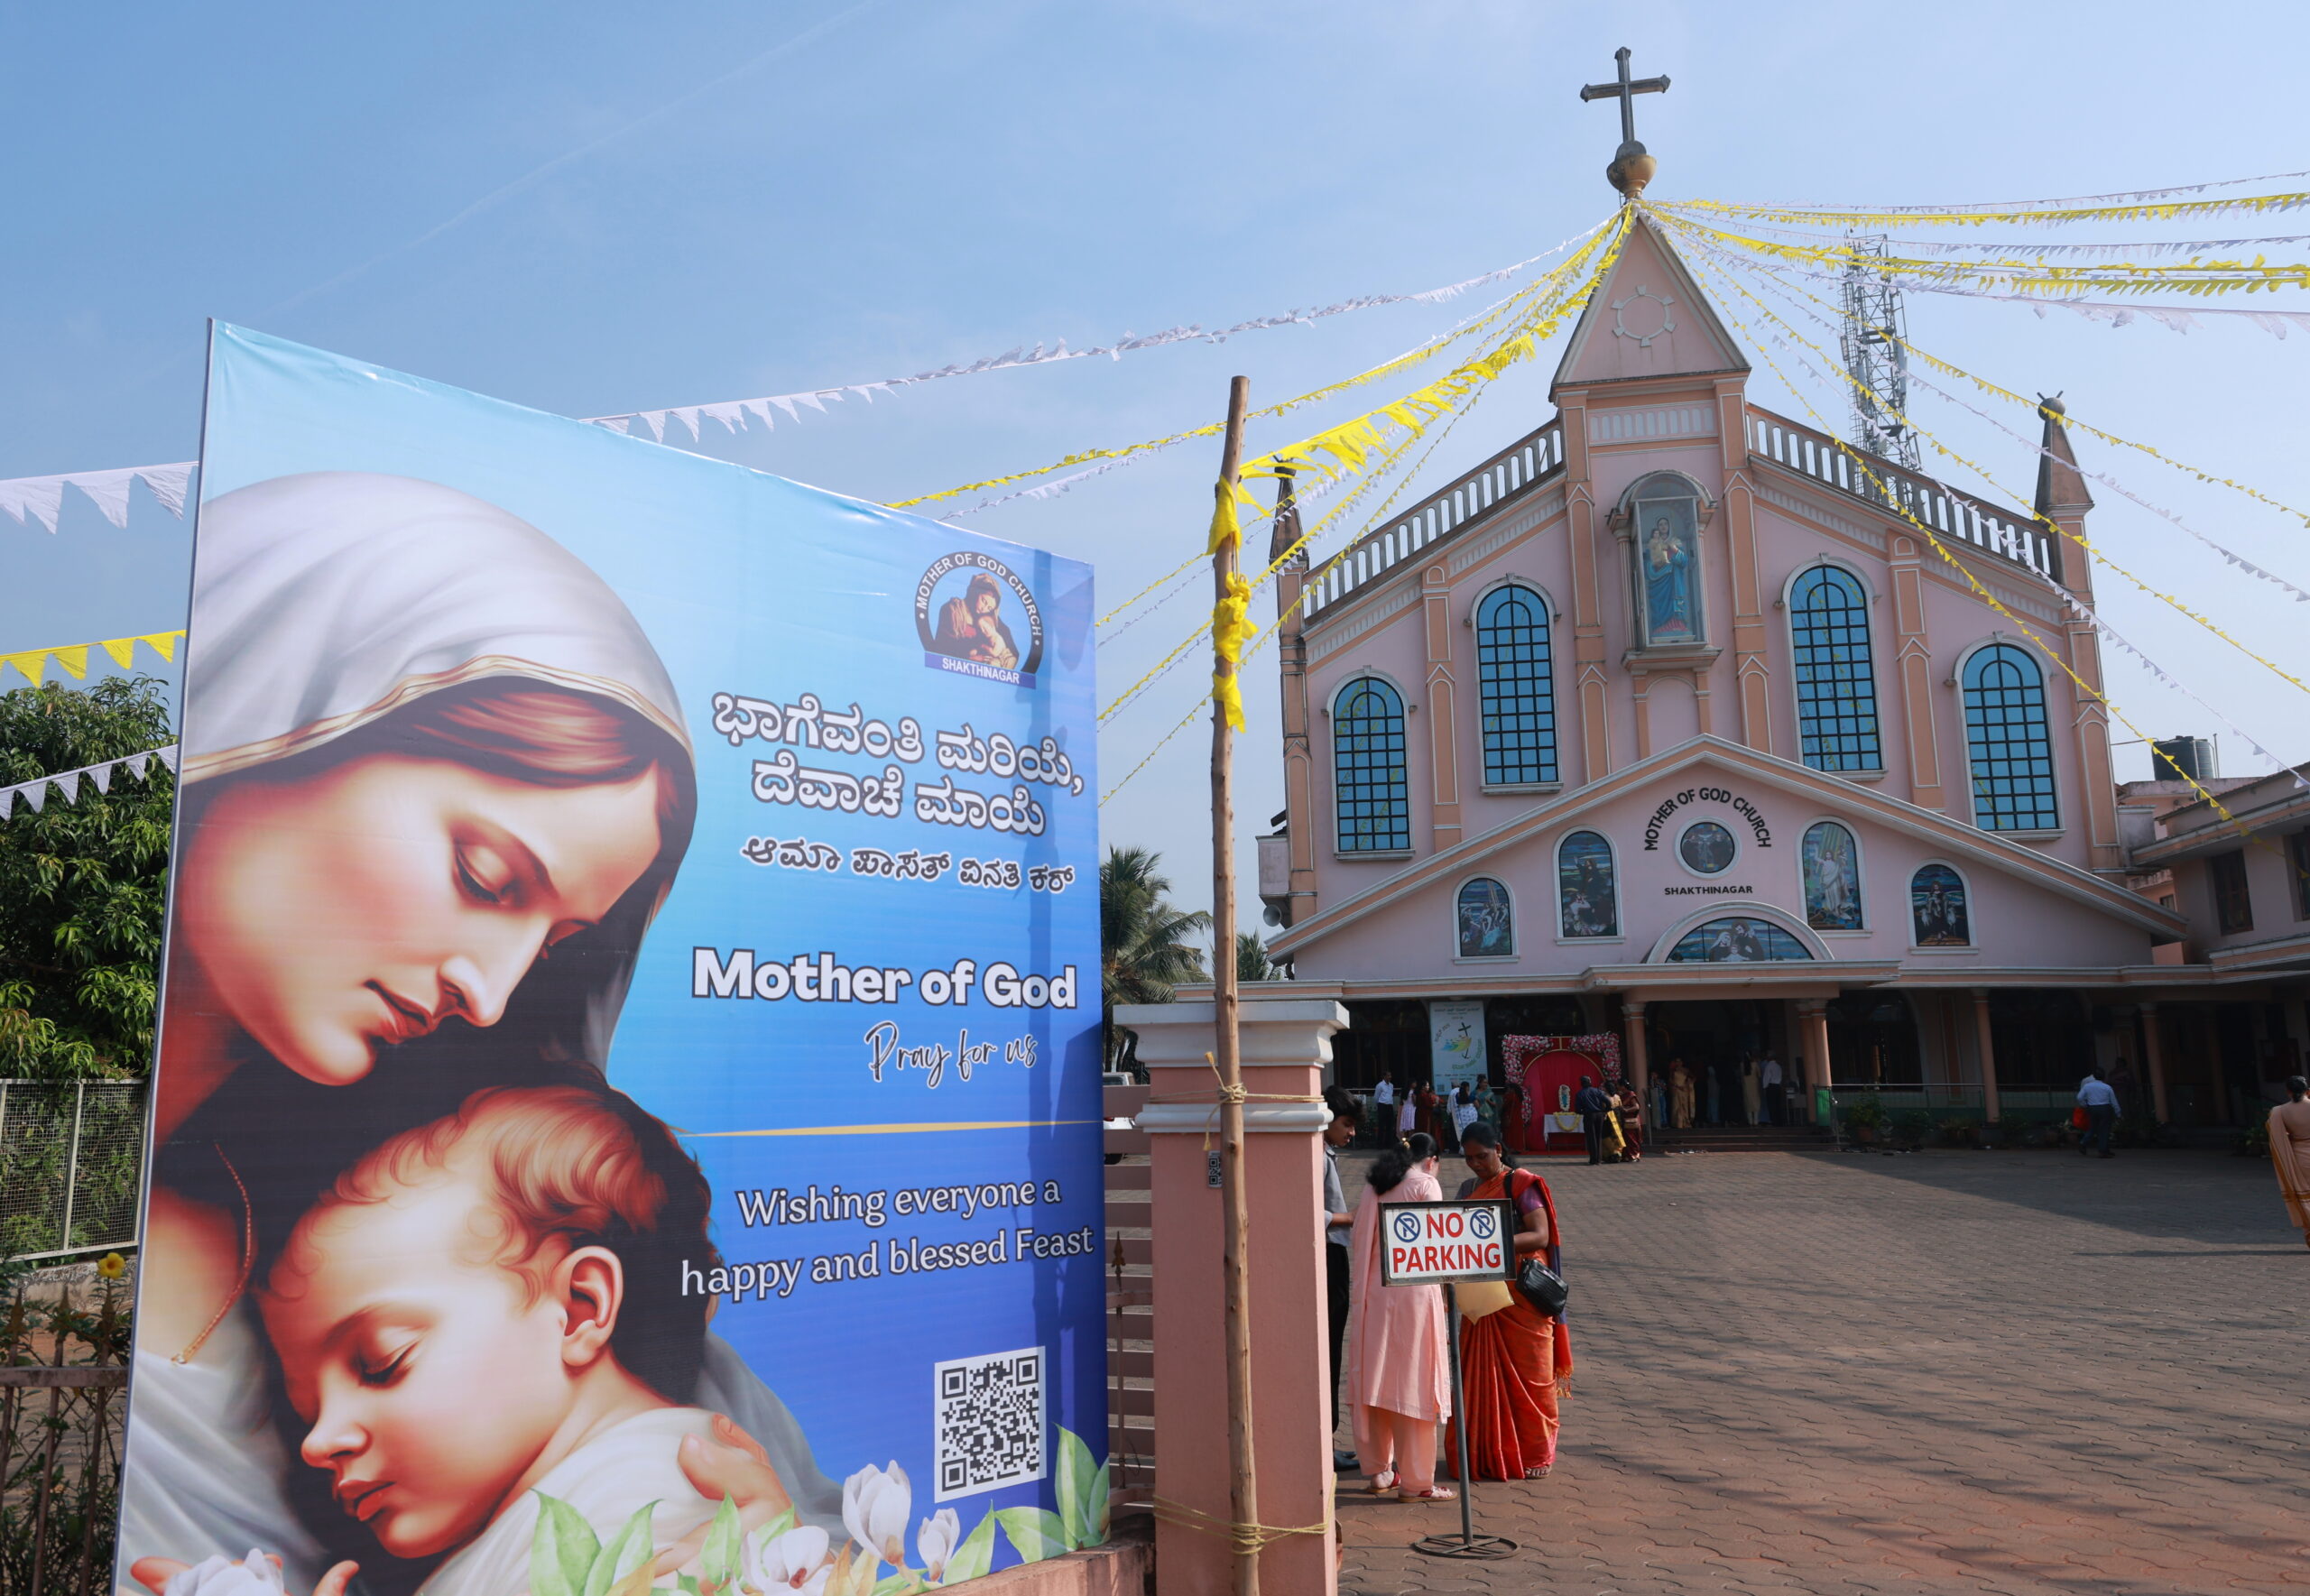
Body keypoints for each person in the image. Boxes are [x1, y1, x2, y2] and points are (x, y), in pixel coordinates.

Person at [117, 475, 832, 1596]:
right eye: (484, 873)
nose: (490, 994)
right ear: (278, 708)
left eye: (552, 945)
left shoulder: (476, 1215)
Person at [249, 1085, 726, 1596]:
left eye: (381, 1363)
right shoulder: (556, 1510)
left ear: (577, 1309)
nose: (318, 1443)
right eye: (307, 1410)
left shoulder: (639, 1506)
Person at [1448, 1124, 1571, 1480]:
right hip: (1484, 1295)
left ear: (1498, 1149)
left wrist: (1489, 1243)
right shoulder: (1468, 1189)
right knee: (1479, 1372)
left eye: (1481, 1157)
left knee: (1533, 1374)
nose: (1475, 1165)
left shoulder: (1521, 1183)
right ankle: (1487, 1448)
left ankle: (1536, 1452)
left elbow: (1539, 1234)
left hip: (1524, 1295)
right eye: (1469, 1158)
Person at [1344, 1135, 1454, 1502]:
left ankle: (1378, 1472)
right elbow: (1434, 1245)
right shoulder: (1425, 1184)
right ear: (1432, 1160)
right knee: (1414, 1383)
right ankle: (1417, 1481)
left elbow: (1361, 1237)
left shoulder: (1376, 1185)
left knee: (1375, 1382)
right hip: (1412, 1295)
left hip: (1373, 1295)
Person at [1320, 1093, 1363, 1471]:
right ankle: (1322, 1443)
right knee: (1328, 1348)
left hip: (1333, 1253)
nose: (1350, 1132)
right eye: (1346, 1124)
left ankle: (1326, 1439)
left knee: (1332, 1347)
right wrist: (1348, 1218)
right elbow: (1301, 1210)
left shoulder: (1322, 1151)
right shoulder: (1314, 1153)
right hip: (1327, 1253)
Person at [2268, 1075, 2310, 1250]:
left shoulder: (2279, 1111)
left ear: (2288, 1092)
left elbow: (2275, 1134)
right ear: (2308, 1090)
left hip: (2298, 1157)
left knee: (2307, 1199)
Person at [2076, 1069, 2119, 1158]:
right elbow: (2113, 1101)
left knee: (2092, 1128)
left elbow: (2079, 1097)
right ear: (2104, 1077)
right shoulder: (2107, 1087)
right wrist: (2118, 1111)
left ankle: (2083, 1142)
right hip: (2105, 1108)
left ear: (2094, 1076)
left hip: (2092, 1108)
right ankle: (2102, 1151)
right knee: (2104, 1130)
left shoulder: (2087, 1086)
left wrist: (2085, 1104)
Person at [1573, 1076, 1613, 1166]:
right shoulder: (1597, 1091)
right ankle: (1598, 1159)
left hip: (1589, 1115)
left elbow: (1577, 1109)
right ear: (1590, 1082)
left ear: (1582, 1083)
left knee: (1591, 1137)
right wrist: (1605, 1110)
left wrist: (1581, 1111)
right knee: (1598, 1136)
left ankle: (1593, 1159)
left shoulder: (1580, 1094)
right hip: (1599, 1115)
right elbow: (1608, 1102)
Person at [1613, 1088, 1643, 1163]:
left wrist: (1627, 1110)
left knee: (1632, 1139)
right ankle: (1626, 1156)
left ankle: (1634, 1156)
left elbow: (1636, 1107)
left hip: (1631, 1120)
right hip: (1624, 1120)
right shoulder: (1621, 1095)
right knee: (1625, 1138)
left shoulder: (1631, 1095)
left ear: (1623, 1086)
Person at [1372, 1072, 1397, 1149]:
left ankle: (1388, 1144)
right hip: (1382, 1105)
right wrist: (1378, 1105)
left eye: (1390, 1075)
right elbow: (1376, 1096)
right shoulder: (1380, 1085)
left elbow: (1390, 1095)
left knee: (1390, 1126)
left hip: (1390, 1106)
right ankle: (1380, 1145)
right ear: (1384, 1076)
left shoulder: (1391, 1085)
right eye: (1388, 1075)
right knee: (1381, 1126)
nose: (1390, 1077)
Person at [1452, 1083, 1480, 1152]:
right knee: (1472, 1131)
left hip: (1461, 1114)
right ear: (1467, 1087)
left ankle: (1463, 1149)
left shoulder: (1457, 1095)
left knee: (1463, 1131)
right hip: (1471, 1114)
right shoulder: (1472, 1095)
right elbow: (1477, 1105)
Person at [1668, 1059, 1696, 1130]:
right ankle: (1677, 1123)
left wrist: (1688, 1084)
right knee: (1676, 1106)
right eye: (1677, 1061)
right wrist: (1676, 1085)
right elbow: (1670, 1079)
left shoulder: (1686, 1070)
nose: (1678, 1063)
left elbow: (1693, 1077)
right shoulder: (1673, 1070)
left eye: (1679, 1061)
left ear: (1682, 1062)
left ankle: (1686, 1122)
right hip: (1676, 1089)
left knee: (1684, 1106)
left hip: (1684, 1090)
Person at [1760, 1051, 1785, 1125]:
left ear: (1769, 1058)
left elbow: (1766, 1077)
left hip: (1771, 1086)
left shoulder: (1768, 1066)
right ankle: (1779, 1121)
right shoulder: (1778, 1066)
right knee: (1777, 1104)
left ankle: (1774, 1121)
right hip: (1777, 1086)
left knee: (1771, 1105)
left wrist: (1764, 1087)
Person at [1740, 1057, 1762, 1127]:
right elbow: (1759, 1074)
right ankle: (1756, 1121)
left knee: (1748, 1103)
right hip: (1755, 1086)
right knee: (1756, 1102)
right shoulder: (1755, 1064)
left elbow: (1741, 1075)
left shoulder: (1742, 1065)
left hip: (1746, 1086)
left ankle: (1750, 1121)